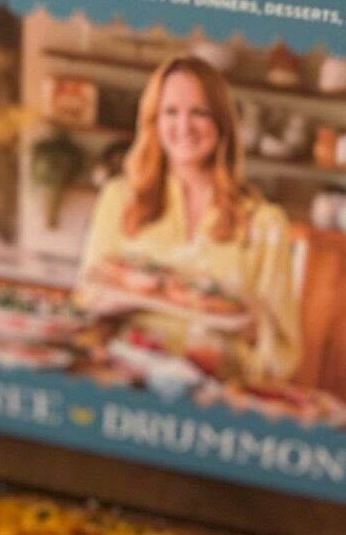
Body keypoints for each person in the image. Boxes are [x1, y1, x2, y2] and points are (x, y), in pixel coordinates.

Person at [75, 54, 302, 382]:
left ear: (222, 122)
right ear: (153, 120)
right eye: (170, 111)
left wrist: (252, 328)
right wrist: (124, 299)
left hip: (216, 391)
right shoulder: (120, 199)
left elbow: (283, 352)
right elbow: (83, 307)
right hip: (126, 377)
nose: (184, 127)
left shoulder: (265, 223)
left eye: (200, 112)